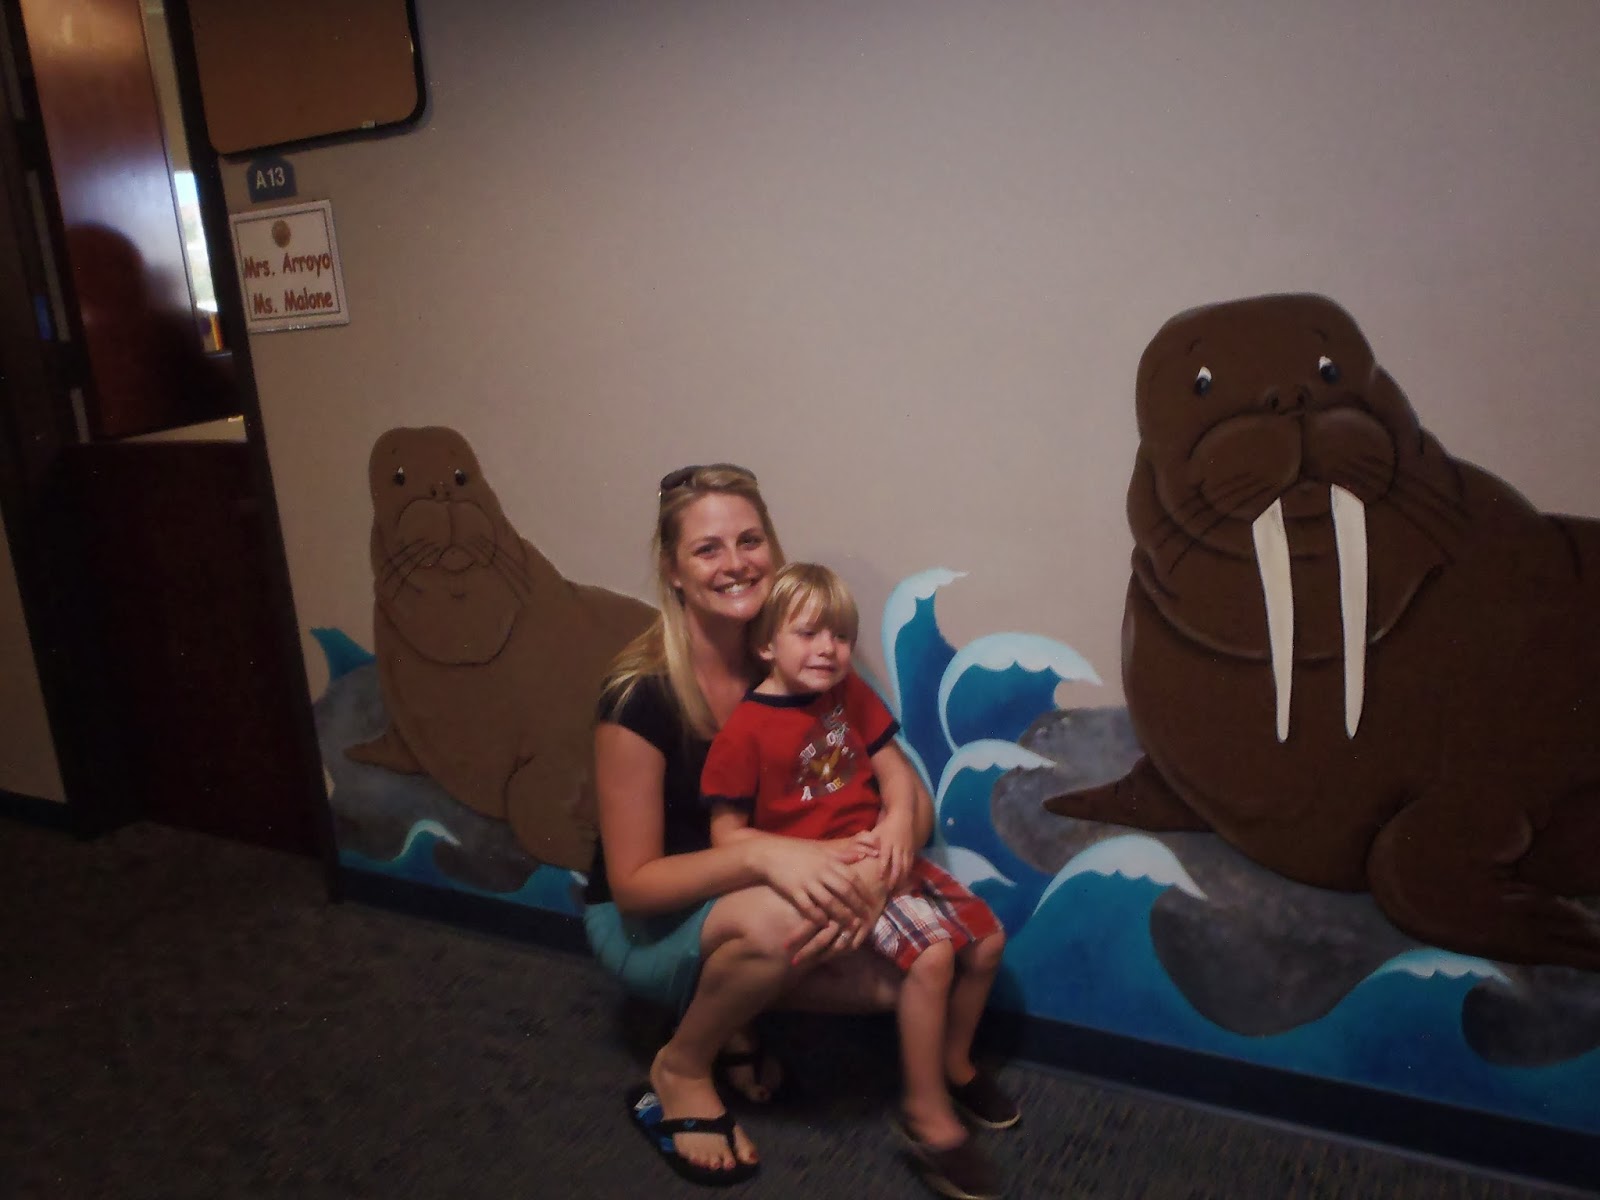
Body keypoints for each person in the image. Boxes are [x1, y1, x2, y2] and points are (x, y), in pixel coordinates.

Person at [584, 464, 935, 1188]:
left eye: (749, 540)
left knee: (914, 977)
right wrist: (769, 858)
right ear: (673, 570)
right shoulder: (638, 698)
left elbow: (908, 795)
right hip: (649, 918)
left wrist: (887, 849)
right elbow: (634, 886)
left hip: (767, 895)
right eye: (707, 548)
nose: (735, 562)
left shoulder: (799, 656)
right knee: (783, 922)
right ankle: (682, 1066)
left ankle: (731, 1009)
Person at [704, 563, 1017, 1200]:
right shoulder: (745, 730)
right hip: (829, 876)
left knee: (987, 944)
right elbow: (726, 839)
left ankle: (954, 1065)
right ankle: (926, 1114)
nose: (829, 649)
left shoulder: (847, 694)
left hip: (885, 856)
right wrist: (804, 857)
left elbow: (893, 770)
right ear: (767, 644)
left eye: (840, 635)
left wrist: (899, 819)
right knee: (932, 958)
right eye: (809, 634)